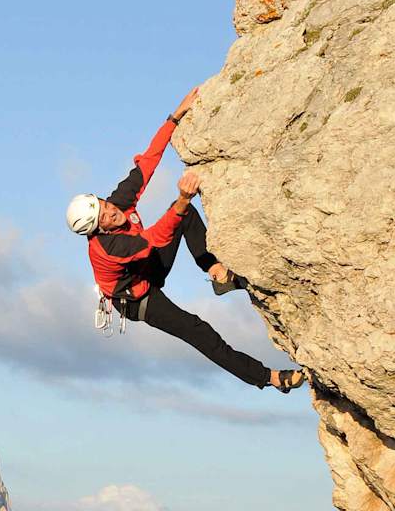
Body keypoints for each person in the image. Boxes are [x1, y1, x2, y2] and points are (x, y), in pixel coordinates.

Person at [65, 87, 307, 393]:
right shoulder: (107, 248)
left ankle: (216, 272)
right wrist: (180, 198)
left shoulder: (118, 205)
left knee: (186, 214)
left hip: (146, 265)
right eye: (105, 217)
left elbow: (147, 163)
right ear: (98, 229)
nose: (113, 212)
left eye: (107, 205)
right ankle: (269, 378)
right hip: (140, 299)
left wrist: (174, 117)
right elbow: (152, 240)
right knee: (198, 331)